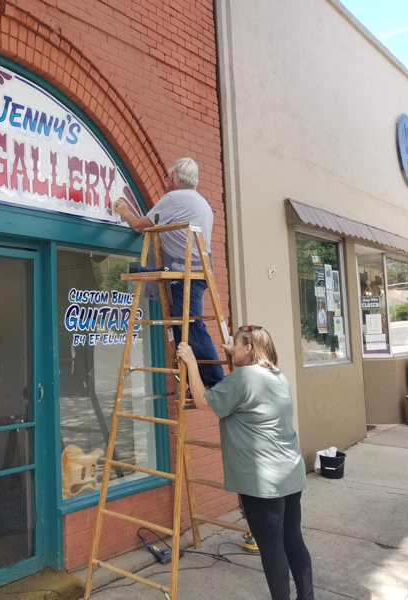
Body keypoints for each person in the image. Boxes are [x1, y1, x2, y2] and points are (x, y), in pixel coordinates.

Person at [177, 326, 314, 600]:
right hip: (290, 472)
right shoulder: (277, 375)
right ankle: (307, 596)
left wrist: (191, 361)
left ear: (249, 348)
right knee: (292, 540)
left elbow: (203, 401)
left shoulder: (243, 378)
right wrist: (233, 353)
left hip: (262, 480)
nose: (231, 348)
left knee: (272, 548)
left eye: (236, 345)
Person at [114, 157, 224, 388]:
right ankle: (195, 384)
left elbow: (139, 225)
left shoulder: (174, 198)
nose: (165, 182)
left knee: (192, 328)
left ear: (173, 177)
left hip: (185, 274)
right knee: (185, 327)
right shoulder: (201, 202)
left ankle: (215, 384)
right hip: (197, 272)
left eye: (166, 177)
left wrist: (124, 211)